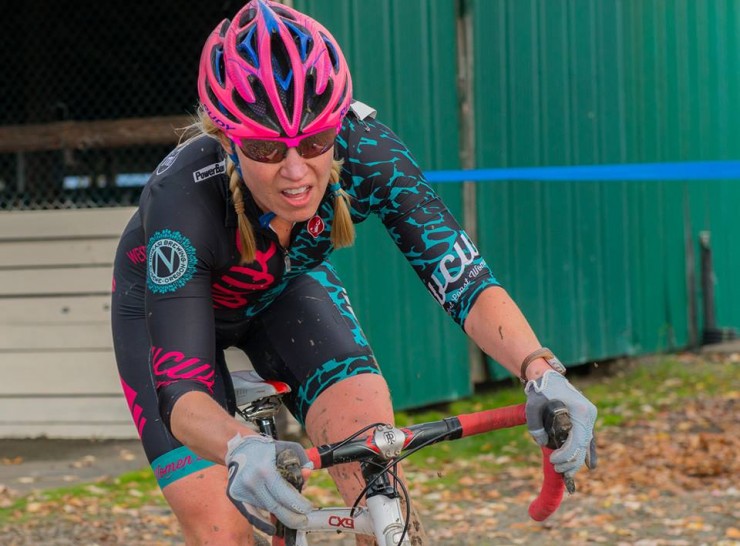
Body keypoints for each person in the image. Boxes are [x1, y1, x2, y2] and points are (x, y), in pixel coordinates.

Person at [111, 1, 598, 544]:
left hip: (285, 287)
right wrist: (237, 445)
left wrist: (540, 369)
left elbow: (463, 279)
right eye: (268, 149)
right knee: (222, 531)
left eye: (316, 141)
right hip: (171, 311)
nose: (296, 171)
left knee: (378, 484)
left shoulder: (369, 151)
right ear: (228, 140)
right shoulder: (182, 199)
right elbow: (181, 394)